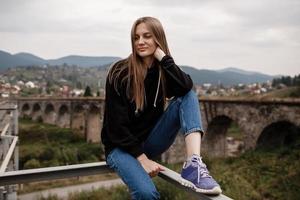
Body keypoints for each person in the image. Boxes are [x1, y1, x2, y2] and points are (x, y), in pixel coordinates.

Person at [101, 16, 221, 199]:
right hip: (120, 148)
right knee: (147, 194)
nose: (140, 42)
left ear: (158, 38)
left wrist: (164, 58)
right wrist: (142, 160)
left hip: (150, 141)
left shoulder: (162, 71)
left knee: (188, 94)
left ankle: (193, 165)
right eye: (136, 37)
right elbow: (115, 129)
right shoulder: (119, 73)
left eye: (147, 36)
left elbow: (186, 87)